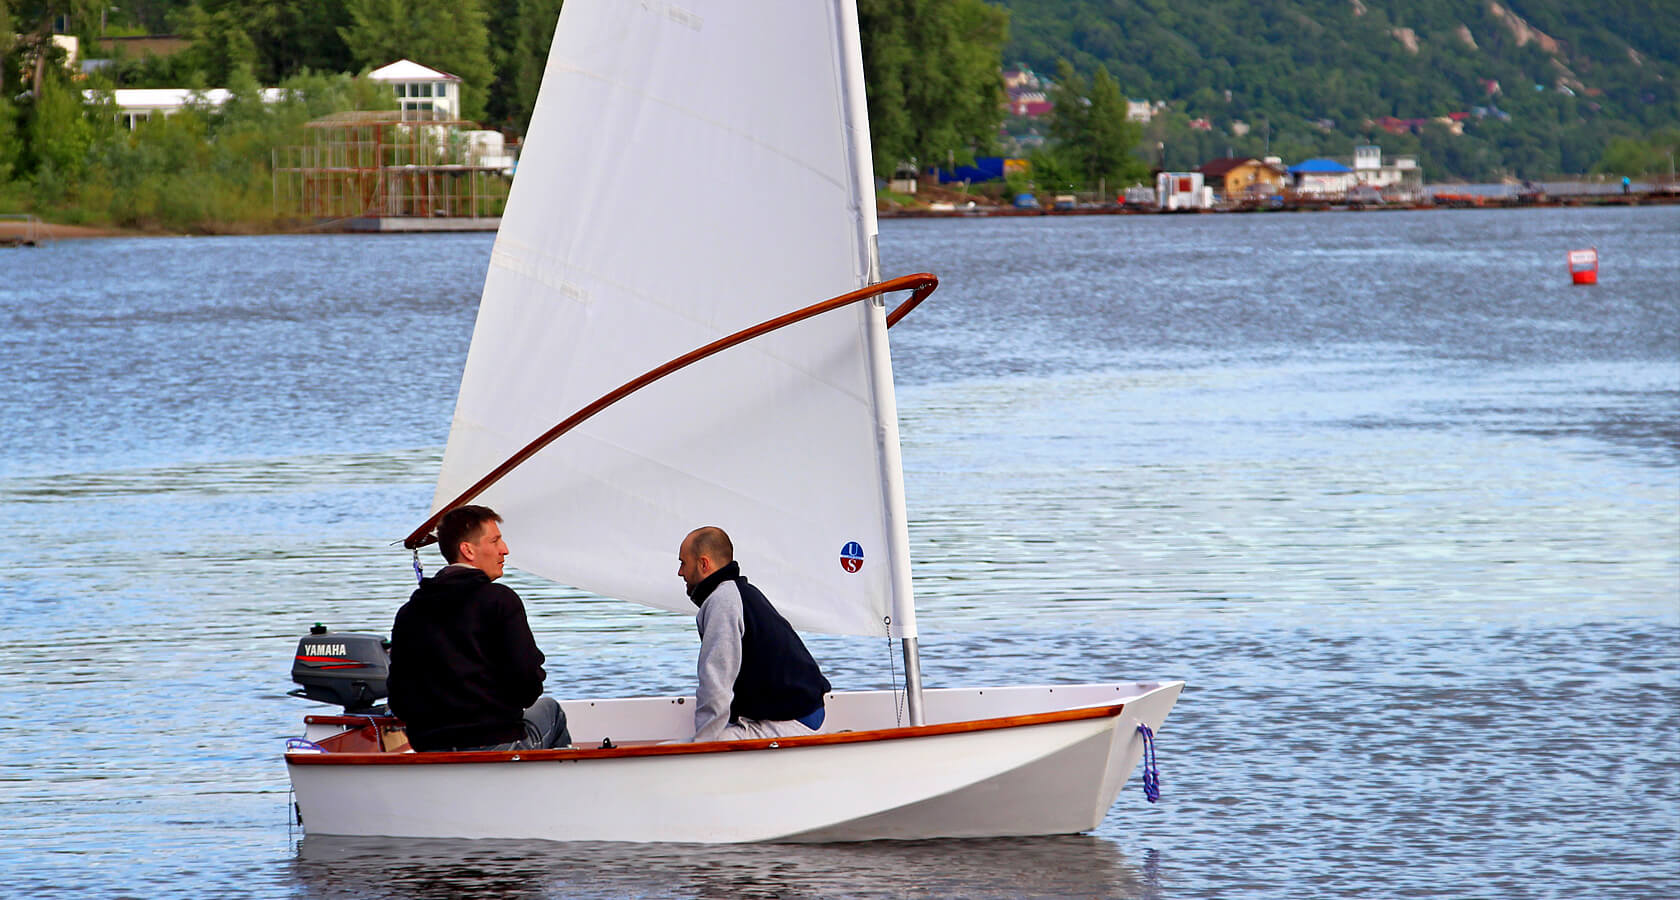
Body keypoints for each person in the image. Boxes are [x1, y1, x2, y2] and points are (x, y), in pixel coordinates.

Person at [387, 505, 571, 752]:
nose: (504, 549)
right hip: (493, 744)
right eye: (495, 541)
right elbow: (528, 688)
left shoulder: (409, 612)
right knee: (551, 710)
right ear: (468, 550)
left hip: (430, 751)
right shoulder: (499, 601)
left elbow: (399, 701)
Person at [677, 526, 832, 742]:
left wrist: (702, 749)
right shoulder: (737, 592)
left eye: (683, 563)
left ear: (703, 564)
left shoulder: (723, 601)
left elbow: (716, 683)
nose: (680, 572)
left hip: (795, 723)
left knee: (706, 742)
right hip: (798, 713)